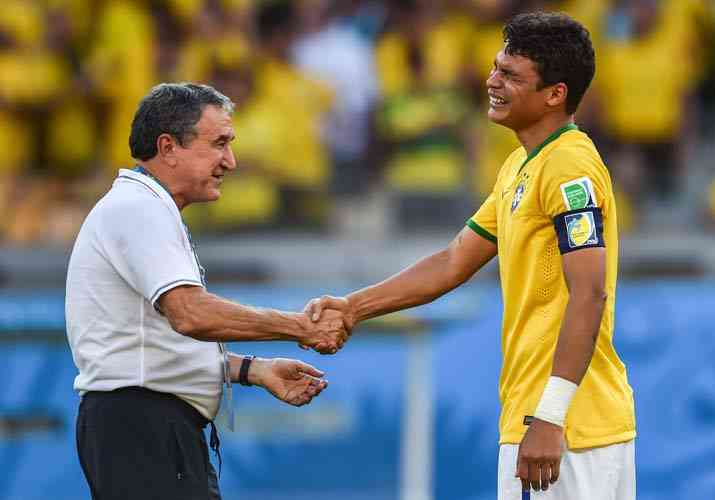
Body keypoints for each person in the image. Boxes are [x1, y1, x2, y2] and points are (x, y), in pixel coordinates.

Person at [304, 12, 636, 500]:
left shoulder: (568, 164)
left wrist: (550, 414)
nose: (491, 82)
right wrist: (354, 307)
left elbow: (589, 289)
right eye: (495, 67)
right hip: (547, 420)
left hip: (570, 429)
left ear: (554, 94)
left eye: (510, 76)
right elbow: (454, 260)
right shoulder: (521, 165)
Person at [65, 83, 350, 500]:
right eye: (219, 144)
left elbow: (152, 342)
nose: (230, 162)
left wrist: (252, 370)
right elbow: (190, 315)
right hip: (143, 424)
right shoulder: (140, 208)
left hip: (140, 423)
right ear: (168, 147)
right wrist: (298, 326)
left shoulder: (141, 206)